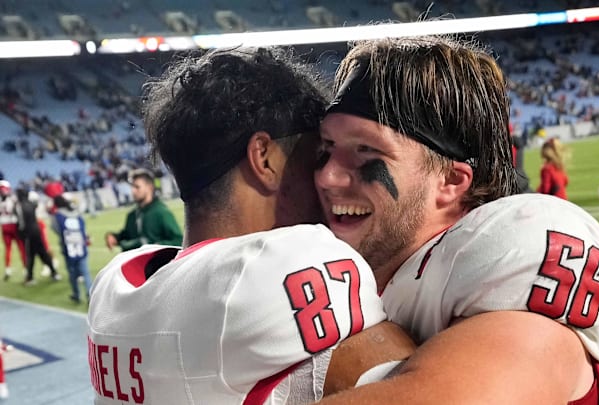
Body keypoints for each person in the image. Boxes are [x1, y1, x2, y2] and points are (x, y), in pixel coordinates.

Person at [87, 47, 414, 404]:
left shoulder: (113, 285)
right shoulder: (278, 266)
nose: (328, 177)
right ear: (264, 157)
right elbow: (439, 389)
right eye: (318, 154)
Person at [314, 35, 599, 404]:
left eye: (366, 150)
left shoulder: (508, 246)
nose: (326, 176)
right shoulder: (348, 266)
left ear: (451, 180)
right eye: (327, 147)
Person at [104, 168, 182, 251]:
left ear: (150, 187)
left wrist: (157, 246)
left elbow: (178, 240)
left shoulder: (161, 213)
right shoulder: (132, 215)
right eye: (132, 187)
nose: (133, 191)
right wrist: (115, 237)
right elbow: (128, 235)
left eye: (137, 187)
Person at [14, 188, 61, 285]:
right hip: (37, 231)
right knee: (43, 253)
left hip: (28, 233)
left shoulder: (19, 206)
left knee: (30, 256)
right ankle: (54, 273)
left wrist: (21, 235)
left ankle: (30, 278)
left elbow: (21, 223)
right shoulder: (32, 204)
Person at [51, 194, 92, 304]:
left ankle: (76, 294)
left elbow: (55, 229)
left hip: (68, 247)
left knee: (72, 273)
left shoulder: (57, 216)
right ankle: (90, 295)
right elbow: (83, 226)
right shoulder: (75, 212)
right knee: (85, 272)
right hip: (80, 245)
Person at [0, 180, 26, 281]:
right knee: (21, 248)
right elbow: (18, 211)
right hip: (14, 225)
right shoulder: (13, 198)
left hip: (4, 226)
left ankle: (7, 270)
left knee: (8, 249)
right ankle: (25, 269)